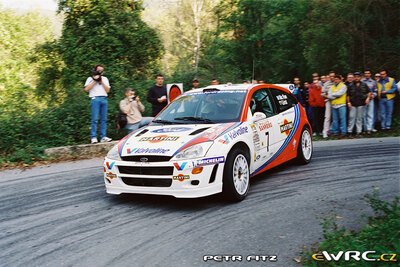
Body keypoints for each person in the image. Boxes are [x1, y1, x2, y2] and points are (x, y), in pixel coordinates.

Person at [84, 64, 112, 144]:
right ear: (95, 70)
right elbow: (86, 89)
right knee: (95, 119)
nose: (100, 72)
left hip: (104, 98)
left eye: (101, 70)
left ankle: (103, 136)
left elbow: (107, 90)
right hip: (95, 98)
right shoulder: (90, 78)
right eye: (99, 70)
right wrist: (95, 80)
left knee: (104, 119)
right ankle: (93, 137)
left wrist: (101, 81)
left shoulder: (105, 79)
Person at [361, 69, 378, 133]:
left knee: (370, 114)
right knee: (363, 114)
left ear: (370, 74)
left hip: (371, 100)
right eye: (366, 73)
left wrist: (373, 95)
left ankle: (369, 129)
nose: (367, 74)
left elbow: (375, 91)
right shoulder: (362, 81)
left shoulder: (373, 82)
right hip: (363, 100)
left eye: (368, 73)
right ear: (364, 74)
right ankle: (364, 129)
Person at [321, 71, 335, 138]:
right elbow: (322, 93)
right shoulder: (326, 84)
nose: (332, 77)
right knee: (327, 117)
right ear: (329, 77)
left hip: (337, 102)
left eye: (333, 76)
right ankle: (325, 132)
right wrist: (328, 97)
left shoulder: (337, 82)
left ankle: (333, 131)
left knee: (335, 117)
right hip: (329, 101)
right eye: (331, 76)